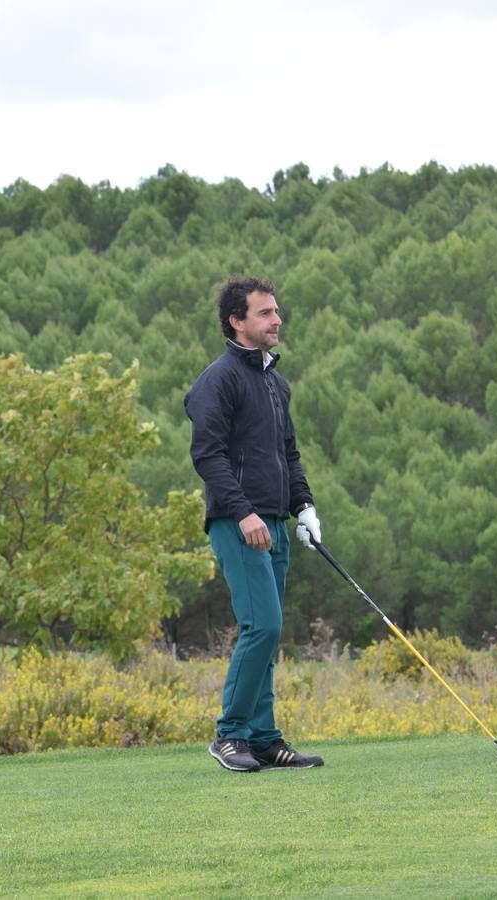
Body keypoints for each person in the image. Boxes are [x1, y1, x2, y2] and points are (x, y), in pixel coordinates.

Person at [184, 275, 325, 772]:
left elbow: (289, 453)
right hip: (238, 521)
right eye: (265, 313)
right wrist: (243, 512)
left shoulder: (275, 383)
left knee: (270, 631)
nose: (277, 320)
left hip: (275, 522)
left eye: (276, 311)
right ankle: (230, 734)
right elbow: (208, 455)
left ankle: (263, 739)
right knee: (261, 625)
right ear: (236, 322)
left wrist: (304, 507)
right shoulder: (219, 380)